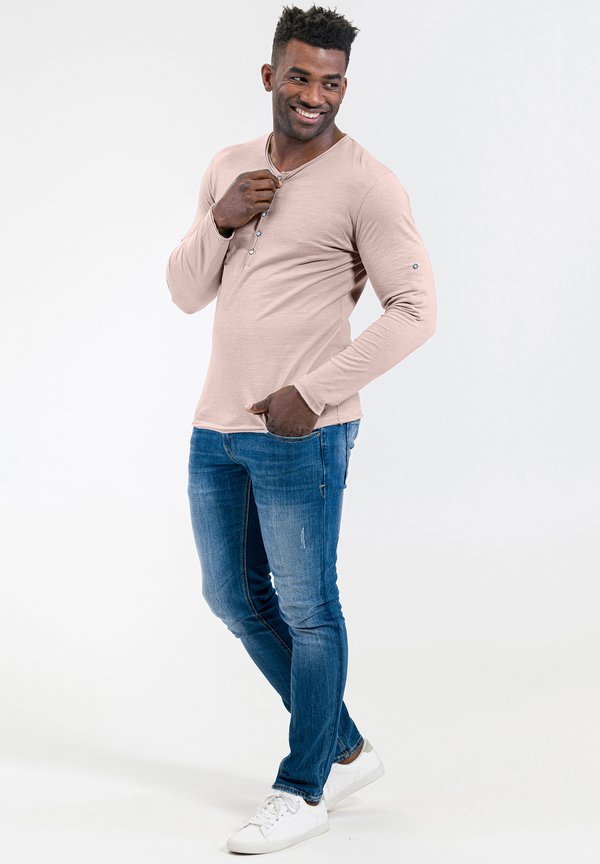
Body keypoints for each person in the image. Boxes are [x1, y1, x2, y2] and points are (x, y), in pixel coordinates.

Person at [165, 3, 436, 854]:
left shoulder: (367, 183)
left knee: (309, 608)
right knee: (230, 596)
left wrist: (313, 394)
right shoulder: (229, 167)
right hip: (217, 424)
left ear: (344, 86)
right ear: (269, 76)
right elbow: (184, 292)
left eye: (331, 82)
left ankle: (303, 786)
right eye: (299, 77)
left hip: (302, 434)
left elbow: (415, 310)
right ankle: (344, 747)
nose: (314, 95)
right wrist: (220, 220)